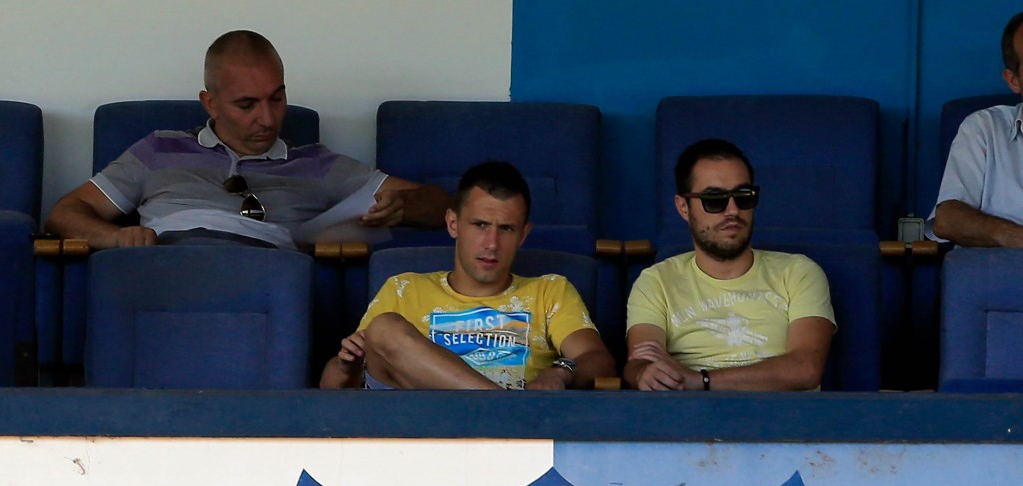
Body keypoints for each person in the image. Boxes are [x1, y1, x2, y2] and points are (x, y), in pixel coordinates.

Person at [44, 30, 450, 251]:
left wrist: (405, 206)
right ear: (210, 103)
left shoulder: (318, 164)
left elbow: (445, 208)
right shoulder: (158, 149)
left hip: (266, 278)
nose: (268, 119)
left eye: (277, 99)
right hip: (166, 269)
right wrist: (116, 238)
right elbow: (65, 213)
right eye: (247, 105)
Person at [319, 160, 615, 390]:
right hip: (423, 429)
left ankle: (499, 414)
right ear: (453, 224)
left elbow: (597, 360)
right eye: (480, 225)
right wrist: (348, 367)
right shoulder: (403, 288)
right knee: (383, 328)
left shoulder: (550, 290)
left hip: (520, 438)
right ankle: (503, 410)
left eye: (506, 229)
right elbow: (330, 386)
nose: (491, 243)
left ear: (523, 235)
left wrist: (562, 372)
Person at [624, 139, 835, 392]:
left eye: (743, 196)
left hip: (783, 414)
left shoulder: (799, 272)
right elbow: (641, 361)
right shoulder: (656, 281)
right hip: (688, 412)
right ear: (683, 207)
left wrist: (699, 380)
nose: (733, 210)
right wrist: (646, 373)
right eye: (715, 199)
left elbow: (805, 369)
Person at [928, 12, 1023, 247]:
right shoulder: (984, 129)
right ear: (1014, 80)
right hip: (1002, 269)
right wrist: (1014, 236)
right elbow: (948, 220)